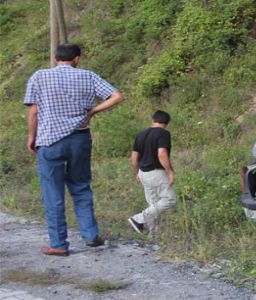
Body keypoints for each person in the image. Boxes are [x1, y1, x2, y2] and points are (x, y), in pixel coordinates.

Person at [24, 43, 125, 256]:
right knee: (80, 186)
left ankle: (59, 244)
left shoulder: (39, 76)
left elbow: (34, 111)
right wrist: (93, 111)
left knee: (53, 193)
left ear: (55, 58)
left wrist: (32, 137)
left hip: (50, 140)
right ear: (76, 59)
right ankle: (90, 235)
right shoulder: (88, 76)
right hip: (79, 139)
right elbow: (117, 96)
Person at [128, 110, 176, 235]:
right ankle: (138, 218)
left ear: (153, 120)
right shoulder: (163, 133)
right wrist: (170, 171)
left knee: (153, 204)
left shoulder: (140, 135)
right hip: (156, 172)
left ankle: (153, 233)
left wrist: (137, 173)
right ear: (166, 123)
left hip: (143, 173)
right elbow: (162, 154)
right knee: (169, 199)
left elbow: (133, 159)